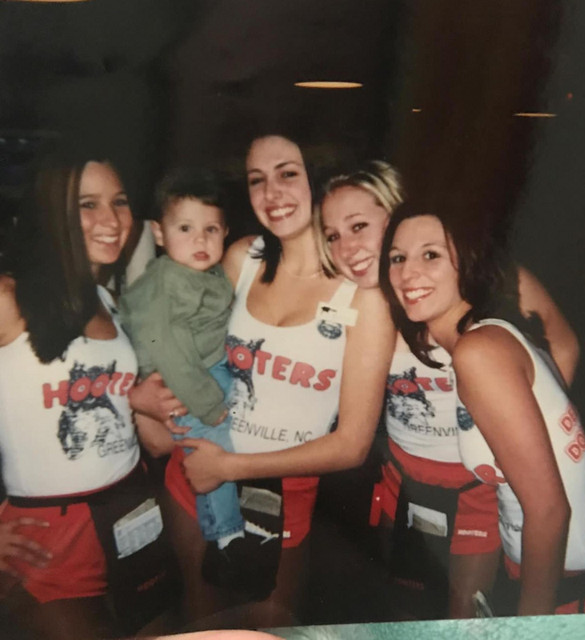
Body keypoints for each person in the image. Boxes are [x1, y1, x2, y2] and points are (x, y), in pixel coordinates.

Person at [143, 134, 395, 628]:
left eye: (287, 174)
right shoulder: (242, 259)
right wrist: (148, 397)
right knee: (200, 622)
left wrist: (230, 467)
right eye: (257, 180)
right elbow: (180, 338)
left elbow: (351, 446)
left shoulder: (363, 297)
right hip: (195, 474)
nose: (271, 193)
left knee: (267, 625)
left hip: (280, 492)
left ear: (317, 181)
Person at [318, 161, 580, 617]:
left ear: (396, 216)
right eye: (333, 236)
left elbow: (565, 343)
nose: (346, 248)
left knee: (463, 613)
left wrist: (531, 430)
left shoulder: (484, 279)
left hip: (474, 485)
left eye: (359, 226)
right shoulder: (357, 302)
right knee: (403, 598)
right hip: (402, 474)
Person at [378, 199, 585, 616]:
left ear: (469, 263)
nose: (408, 273)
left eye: (431, 255)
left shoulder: (479, 353)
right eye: (397, 258)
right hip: (565, 577)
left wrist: (531, 627)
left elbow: (549, 510)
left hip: (574, 595)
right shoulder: (490, 334)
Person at [0, 151, 177, 639]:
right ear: (51, 211)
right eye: (87, 204)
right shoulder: (8, 298)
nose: (111, 220)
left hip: (133, 511)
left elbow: (149, 432)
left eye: (119, 202)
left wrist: (142, 402)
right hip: (48, 536)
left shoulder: (107, 301)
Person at [121, 167, 260, 592]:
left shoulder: (206, 273)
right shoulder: (165, 282)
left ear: (225, 232)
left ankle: (236, 520)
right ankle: (226, 538)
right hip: (178, 378)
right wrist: (208, 404)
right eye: (185, 228)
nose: (200, 240)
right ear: (159, 234)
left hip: (205, 366)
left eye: (211, 229)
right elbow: (169, 350)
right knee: (212, 444)